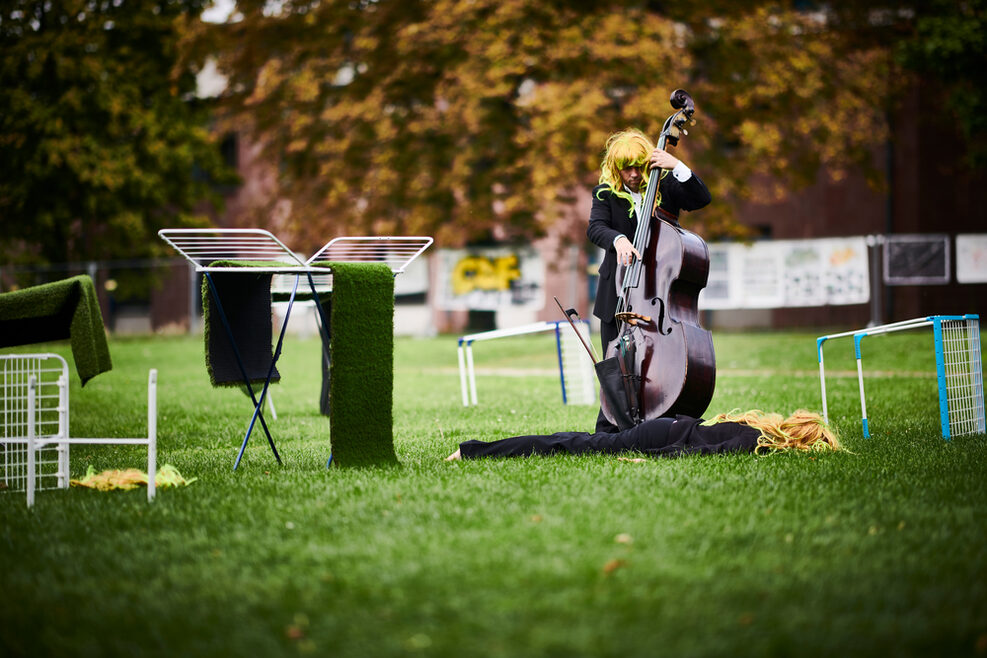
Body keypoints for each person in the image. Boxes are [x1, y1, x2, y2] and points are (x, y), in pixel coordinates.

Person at [587, 128, 712, 432]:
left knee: (656, 361)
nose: (632, 174)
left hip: (657, 292)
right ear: (616, 168)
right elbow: (595, 228)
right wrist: (617, 239)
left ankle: (661, 415)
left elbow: (701, 199)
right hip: (618, 290)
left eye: (637, 167)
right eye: (625, 168)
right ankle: (610, 427)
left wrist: (676, 166)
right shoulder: (605, 193)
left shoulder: (664, 186)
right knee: (617, 363)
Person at [445, 410, 841, 461]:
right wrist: (649, 458)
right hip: (658, 436)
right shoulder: (756, 443)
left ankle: (475, 451)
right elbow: (700, 453)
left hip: (669, 424)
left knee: (580, 440)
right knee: (571, 443)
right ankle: (473, 452)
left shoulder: (761, 427)